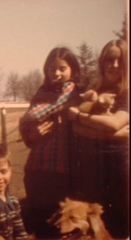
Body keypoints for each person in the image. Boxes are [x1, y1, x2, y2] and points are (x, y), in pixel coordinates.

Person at [67, 39, 129, 239]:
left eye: (121, 60)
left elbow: (115, 123)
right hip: (90, 167)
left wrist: (79, 116)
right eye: (109, 60)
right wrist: (115, 133)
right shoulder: (92, 92)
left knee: (120, 224)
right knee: (94, 224)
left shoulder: (126, 93)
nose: (115, 65)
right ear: (102, 63)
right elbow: (76, 128)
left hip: (119, 166)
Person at [19, 47, 82, 238]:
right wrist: (32, 135)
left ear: (73, 69)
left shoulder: (78, 94)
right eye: (52, 68)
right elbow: (26, 125)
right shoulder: (41, 93)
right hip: (37, 170)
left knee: (61, 225)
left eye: (62, 68)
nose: (56, 73)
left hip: (64, 173)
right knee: (41, 226)